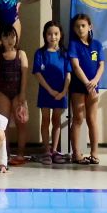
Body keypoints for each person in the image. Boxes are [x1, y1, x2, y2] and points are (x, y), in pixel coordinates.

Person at [64, 13, 104, 167]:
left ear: (89, 27)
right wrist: (87, 82)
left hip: (93, 86)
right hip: (79, 86)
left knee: (92, 119)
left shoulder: (97, 45)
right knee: (78, 118)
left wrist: (94, 82)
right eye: (77, 26)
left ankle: (94, 152)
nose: (80, 29)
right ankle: (76, 153)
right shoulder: (74, 45)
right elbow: (75, 65)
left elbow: (101, 65)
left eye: (83, 25)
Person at [32, 20, 71, 165]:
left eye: (55, 34)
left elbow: (68, 75)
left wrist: (63, 92)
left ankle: (54, 150)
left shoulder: (64, 54)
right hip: (46, 92)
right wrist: (50, 90)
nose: (53, 37)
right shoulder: (40, 53)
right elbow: (37, 73)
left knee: (56, 121)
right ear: (45, 35)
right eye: (49, 34)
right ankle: (46, 151)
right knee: (45, 120)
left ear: (60, 35)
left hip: (61, 93)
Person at [0, 24, 29, 165]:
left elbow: (25, 75)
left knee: (21, 123)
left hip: (18, 92)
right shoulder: (0, 55)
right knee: (3, 123)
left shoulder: (21, 54)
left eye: (12, 36)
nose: (10, 39)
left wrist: (23, 93)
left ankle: (20, 153)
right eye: (6, 37)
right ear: (0, 39)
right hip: (3, 92)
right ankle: (5, 153)